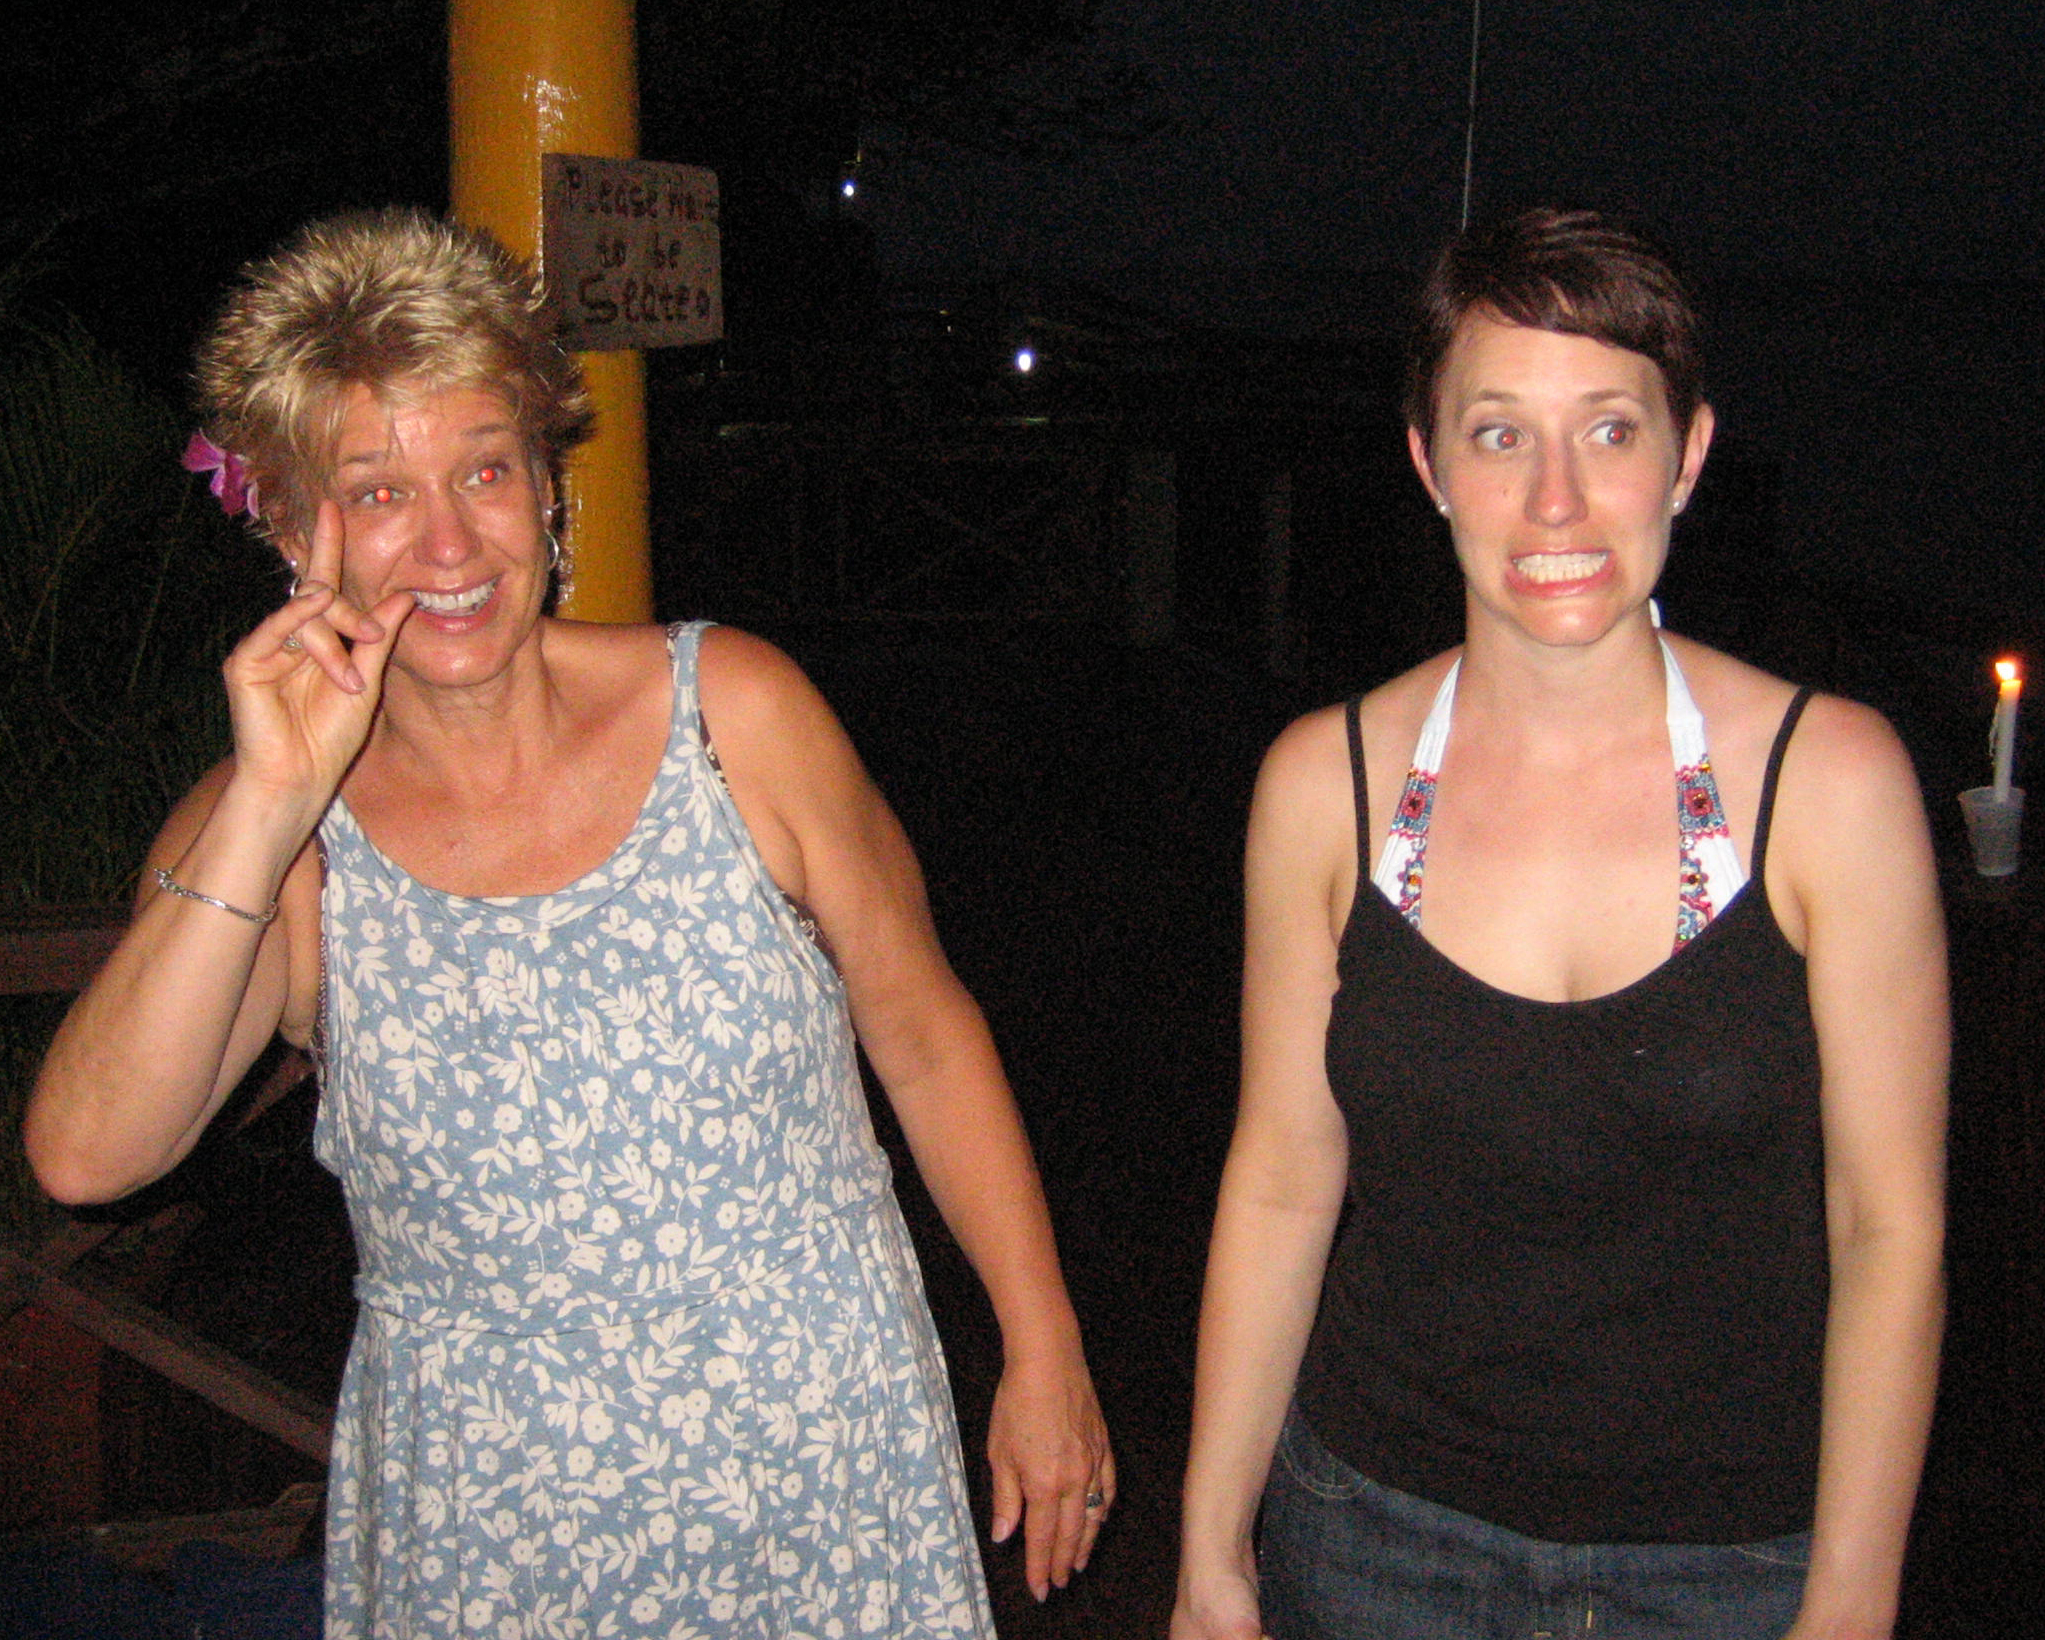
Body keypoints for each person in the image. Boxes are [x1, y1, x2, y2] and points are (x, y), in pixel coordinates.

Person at [26, 207, 1112, 1638]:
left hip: (818, 1455)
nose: (450, 542)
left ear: (548, 483)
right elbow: (88, 1155)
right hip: (495, 1517)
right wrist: (270, 796)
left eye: (485, 468)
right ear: (290, 530)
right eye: (377, 493)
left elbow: (921, 1030)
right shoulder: (276, 847)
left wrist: (1044, 1345)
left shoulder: (736, 713)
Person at [1172, 207, 1946, 1640]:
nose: (1554, 503)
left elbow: (1887, 1224)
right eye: (1497, 434)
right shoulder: (1327, 787)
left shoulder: (1826, 784)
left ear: (1687, 454)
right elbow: (1281, 1178)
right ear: (1427, 464)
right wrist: (1211, 1548)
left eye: (1607, 429)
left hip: (1730, 1563)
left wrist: (1850, 1593)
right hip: (1371, 1536)